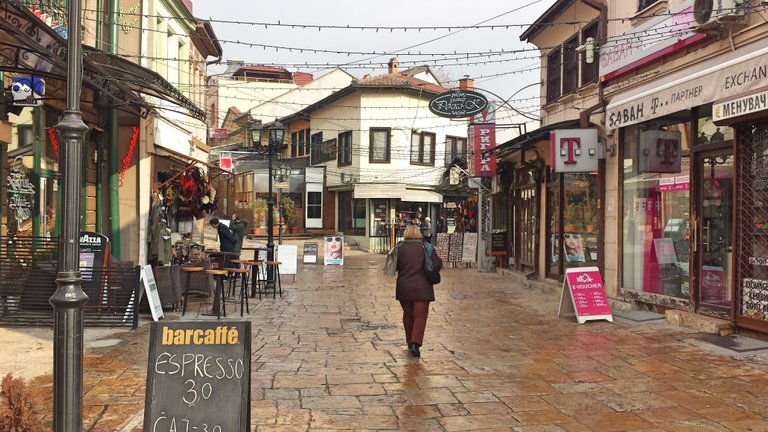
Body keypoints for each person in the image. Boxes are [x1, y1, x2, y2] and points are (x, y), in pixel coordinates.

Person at [389, 224, 442, 357]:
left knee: (408, 315)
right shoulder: (427, 247)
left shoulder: (399, 248)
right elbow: (438, 263)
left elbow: (391, 267)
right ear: (419, 234)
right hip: (422, 288)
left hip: (404, 288)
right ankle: (415, 343)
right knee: (420, 316)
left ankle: (409, 341)